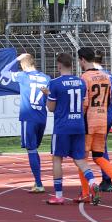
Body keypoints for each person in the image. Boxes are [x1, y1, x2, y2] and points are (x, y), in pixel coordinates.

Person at [41, 52, 100, 205]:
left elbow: (51, 108)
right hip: (78, 125)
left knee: (57, 159)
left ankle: (59, 195)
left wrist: (48, 96)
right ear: (72, 65)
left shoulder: (54, 83)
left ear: (59, 65)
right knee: (79, 159)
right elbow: (82, 104)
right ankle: (93, 182)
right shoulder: (81, 82)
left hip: (62, 126)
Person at [78, 47, 112, 201]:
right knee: (98, 156)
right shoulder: (106, 77)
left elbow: (84, 103)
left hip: (88, 121)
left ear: (83, 60)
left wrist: (79, 118)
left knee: (82, 158)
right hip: (102, 119)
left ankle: (85, 193)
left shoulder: (84, 78)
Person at [1, 53, 50, 193]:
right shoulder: (46, 78)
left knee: (31, 150)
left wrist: (15, 58)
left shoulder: (23, 76)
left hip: (29, 117)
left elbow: (3, 72)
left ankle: (39, 183)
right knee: (35, 149)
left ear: (23, 65)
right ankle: (37, 181)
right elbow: (48, 98)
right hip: (42, 117)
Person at [93, 50, 112, 192]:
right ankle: (107, 178)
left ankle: (108, 179)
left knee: (95, 149)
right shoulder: (110, 76)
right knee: (100, 146)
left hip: (95, 115)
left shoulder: (88, 76)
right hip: (108, 115)